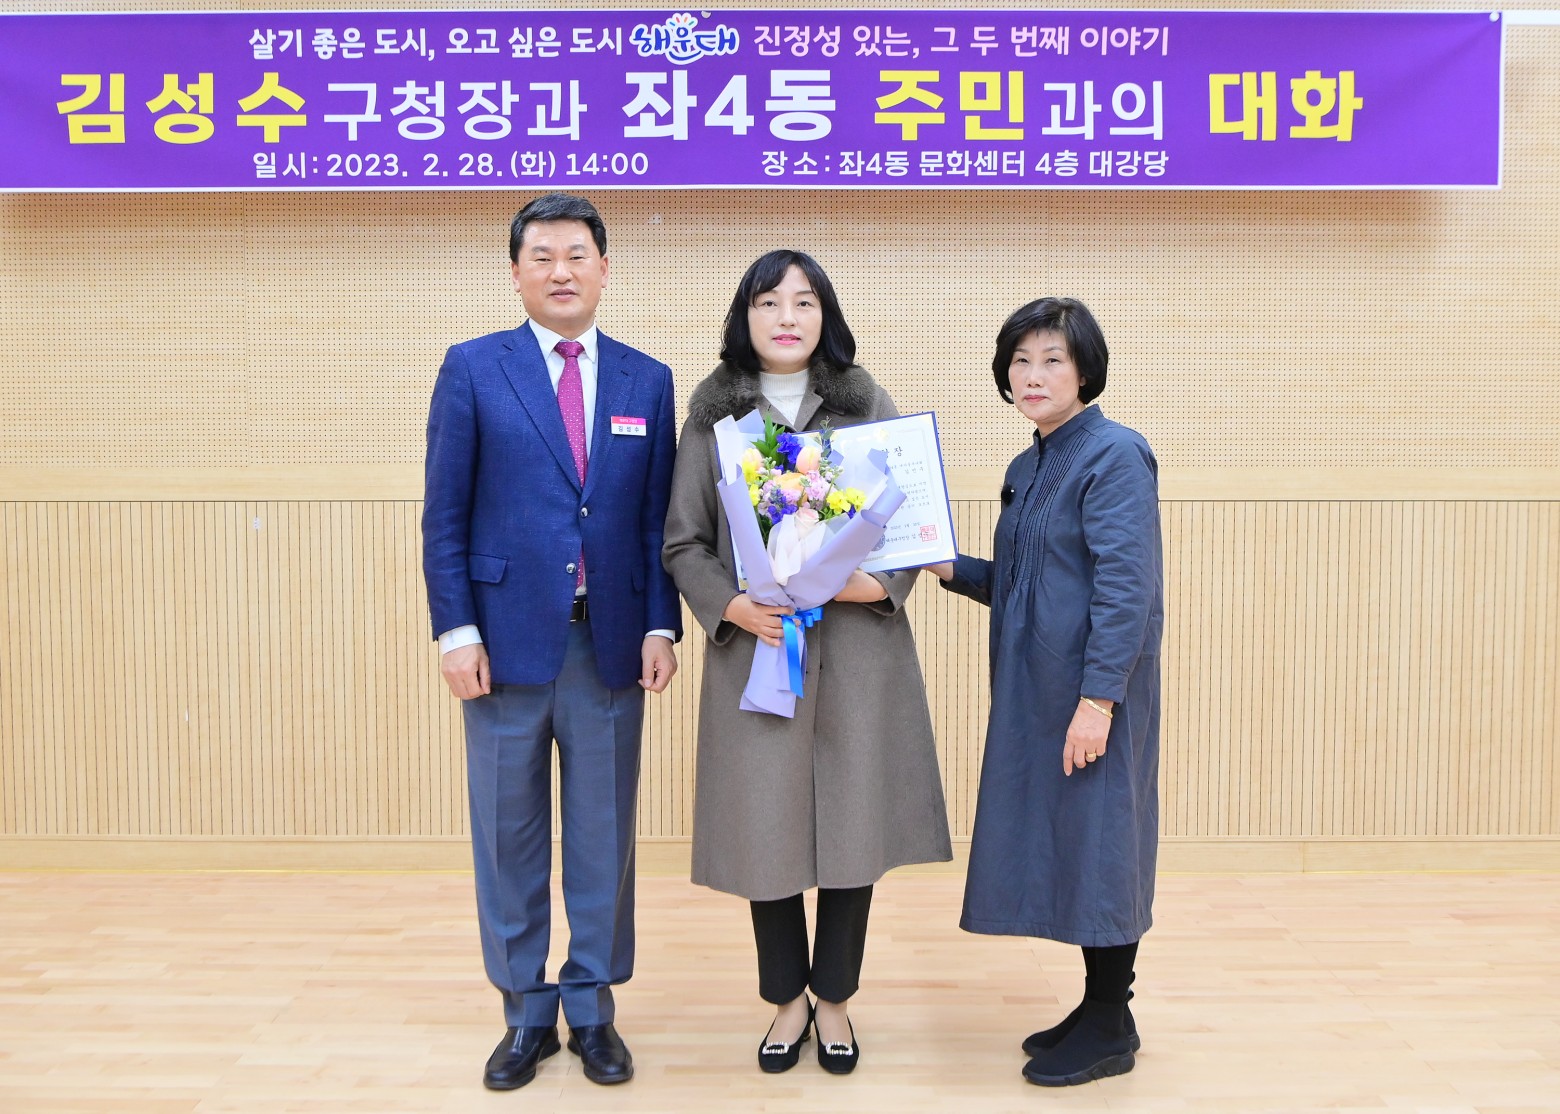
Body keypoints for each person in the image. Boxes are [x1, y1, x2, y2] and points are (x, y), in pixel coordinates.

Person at [662, 249, 952, 1076]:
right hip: (759, 653)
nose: (786, 317)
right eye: (768, 302)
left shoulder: (865, 402)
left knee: (856, 827)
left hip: (858, 654)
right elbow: (684, 542)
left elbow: (911, 523)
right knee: (767, 831)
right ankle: (786, 999)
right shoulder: (713, 416)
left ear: (826, 315)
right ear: (744, 316)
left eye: (803, 302)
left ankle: (835, 1000)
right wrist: (732, 607)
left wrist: (873, 585)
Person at [421, 192, 681, 1090]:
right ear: (516, 273)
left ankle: (594, 1007)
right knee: (510, 835)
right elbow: (444, 516)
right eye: (542, 255)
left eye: (577, 254)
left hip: (610, 645)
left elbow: (655, 521)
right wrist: (456, 631)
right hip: (501, 647)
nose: (561, 270)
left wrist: (659, 622)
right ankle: (526, 1012)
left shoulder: (648, 379)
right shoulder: (473, 368)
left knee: (603, 836)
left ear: (606, 269)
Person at [929, 297, 1163, 1087]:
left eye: (1052, 360)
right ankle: (1102, 1008)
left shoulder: (1115, 454)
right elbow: (1026, 581)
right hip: (1036, 689)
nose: (1033, 375)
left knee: (1102, 842)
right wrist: (949, 565)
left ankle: (1110, 1023)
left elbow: (1127, 591)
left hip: (1091, 691)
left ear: (1085, 371)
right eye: (1020, 361)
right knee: (1069, 840)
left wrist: (1098, 702)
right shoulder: (1029, 465)